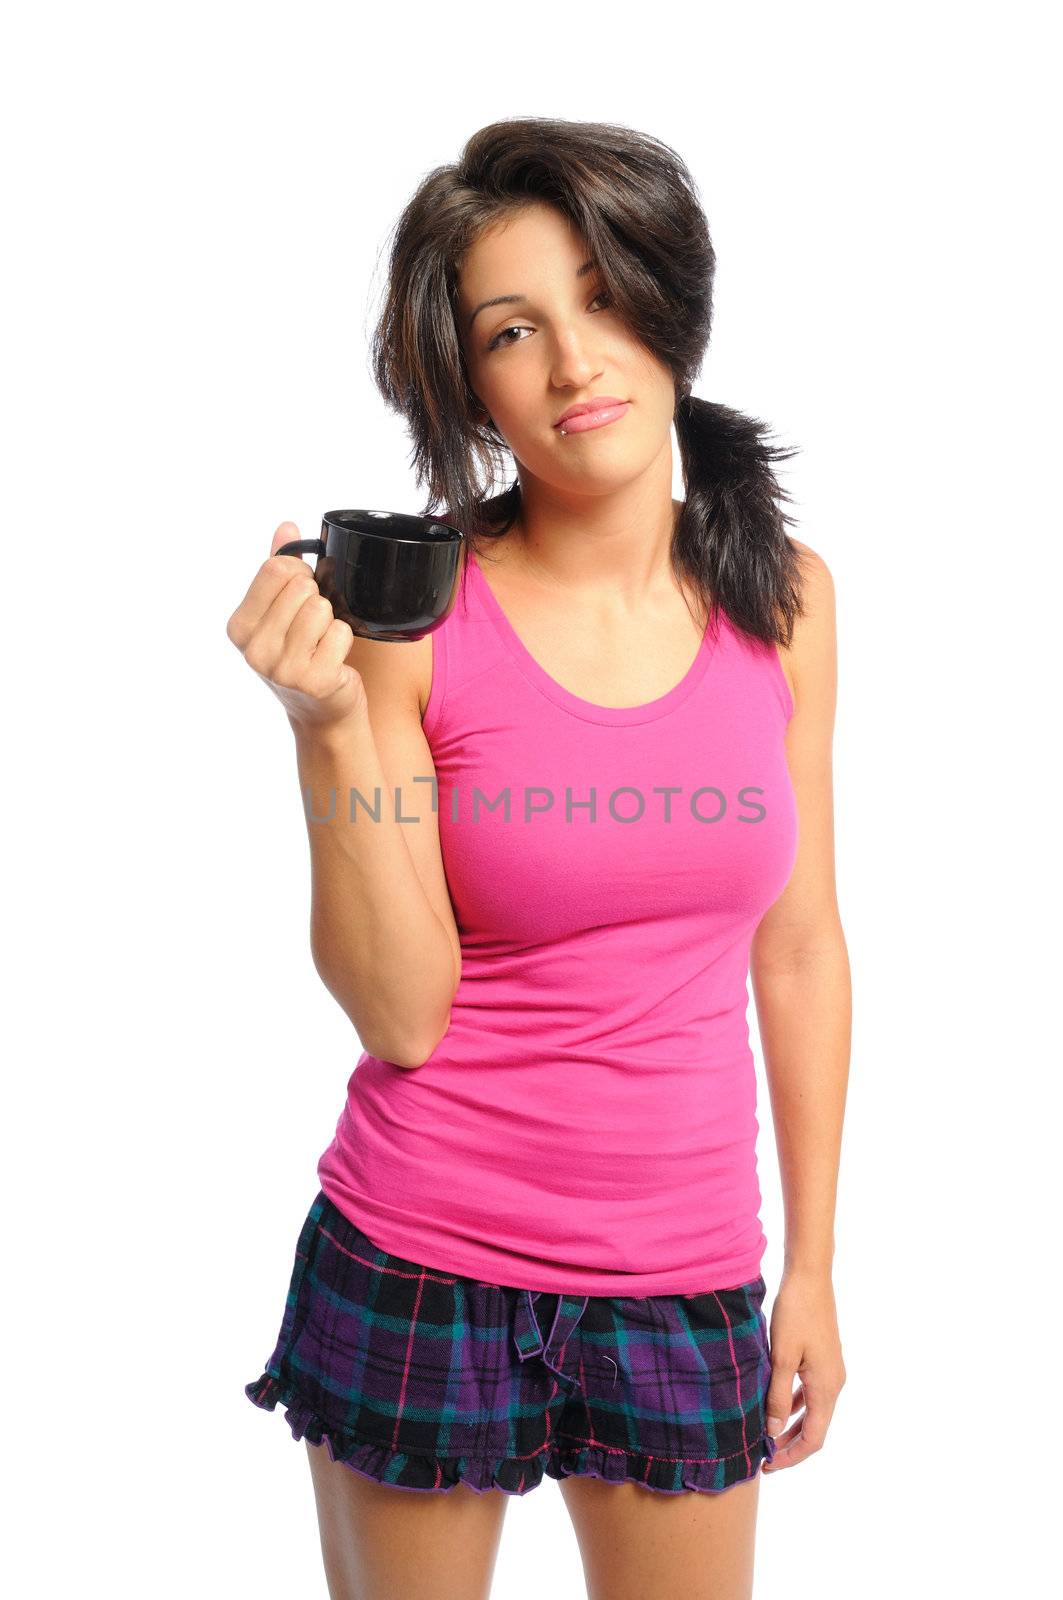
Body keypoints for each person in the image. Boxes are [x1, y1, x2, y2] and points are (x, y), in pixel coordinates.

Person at [228, 116, 850, 1600]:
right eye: (516, 329)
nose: (575, 362)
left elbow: (801, 943)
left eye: (602, 296)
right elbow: (403, 1012)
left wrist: (813, 1263)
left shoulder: (788, 603)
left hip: (684, 1279)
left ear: (667, 303)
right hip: (422, 1257)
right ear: (470, 385)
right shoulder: (419, 620)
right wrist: (328, 731)